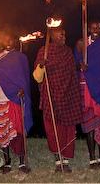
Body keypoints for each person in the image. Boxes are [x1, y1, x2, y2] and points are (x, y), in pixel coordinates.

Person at [33, 27, 83, 173]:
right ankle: (57, 160)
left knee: (68, 129)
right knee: (53, 128)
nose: (63, 36)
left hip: (68, 95)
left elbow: (72, 73)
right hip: (51, 95)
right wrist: (41, 65)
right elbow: (37, 77)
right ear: (52, 36)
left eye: (64, 34)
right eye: (60, 34)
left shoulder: (67, 52)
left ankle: (65, 161)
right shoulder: (44, 51)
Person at [74, 20, 100, 169]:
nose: (95, 29)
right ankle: (92, 160)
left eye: (98, 27)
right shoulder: (81, 43)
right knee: (89, 123)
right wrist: (80, 65)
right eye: (92, 27)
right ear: (88, 29)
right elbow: (76, 61)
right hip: (87, 87)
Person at [0, 41, 33, 174]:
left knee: (18, 131)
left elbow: (24, 79)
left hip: (15, 100)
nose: (7, 42)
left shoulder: (20, 58)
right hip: (1, 99)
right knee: (3, 132)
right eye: (4, 39)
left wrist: (23, 90)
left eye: (10, 39)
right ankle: (7, 163)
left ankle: (21, 162)